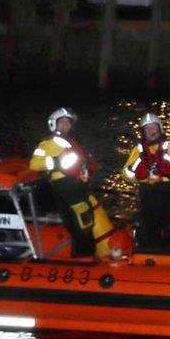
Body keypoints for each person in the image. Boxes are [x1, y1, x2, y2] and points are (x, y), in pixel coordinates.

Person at [29, 107, 100, 257]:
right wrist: (55, 163)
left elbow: (84, 163)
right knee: (80, 222)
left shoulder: (73, 143)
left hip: (78, 185)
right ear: (54, 124)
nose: (65, 125)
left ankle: (83, 253)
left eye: (68, 123)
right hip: (63, 185)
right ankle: (83, 255)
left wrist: (88, 170)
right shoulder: (47, 144)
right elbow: (34, 164)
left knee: (82, 222)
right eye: (61, 122)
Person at [121, 112, 170, 250]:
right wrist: (136, 168)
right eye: (147, 128)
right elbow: (126, 175)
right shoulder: (138, 151)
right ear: (143, 132)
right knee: (149, 233)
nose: (151, 130)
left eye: (153, 127)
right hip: (148, 196)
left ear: (160, 128)